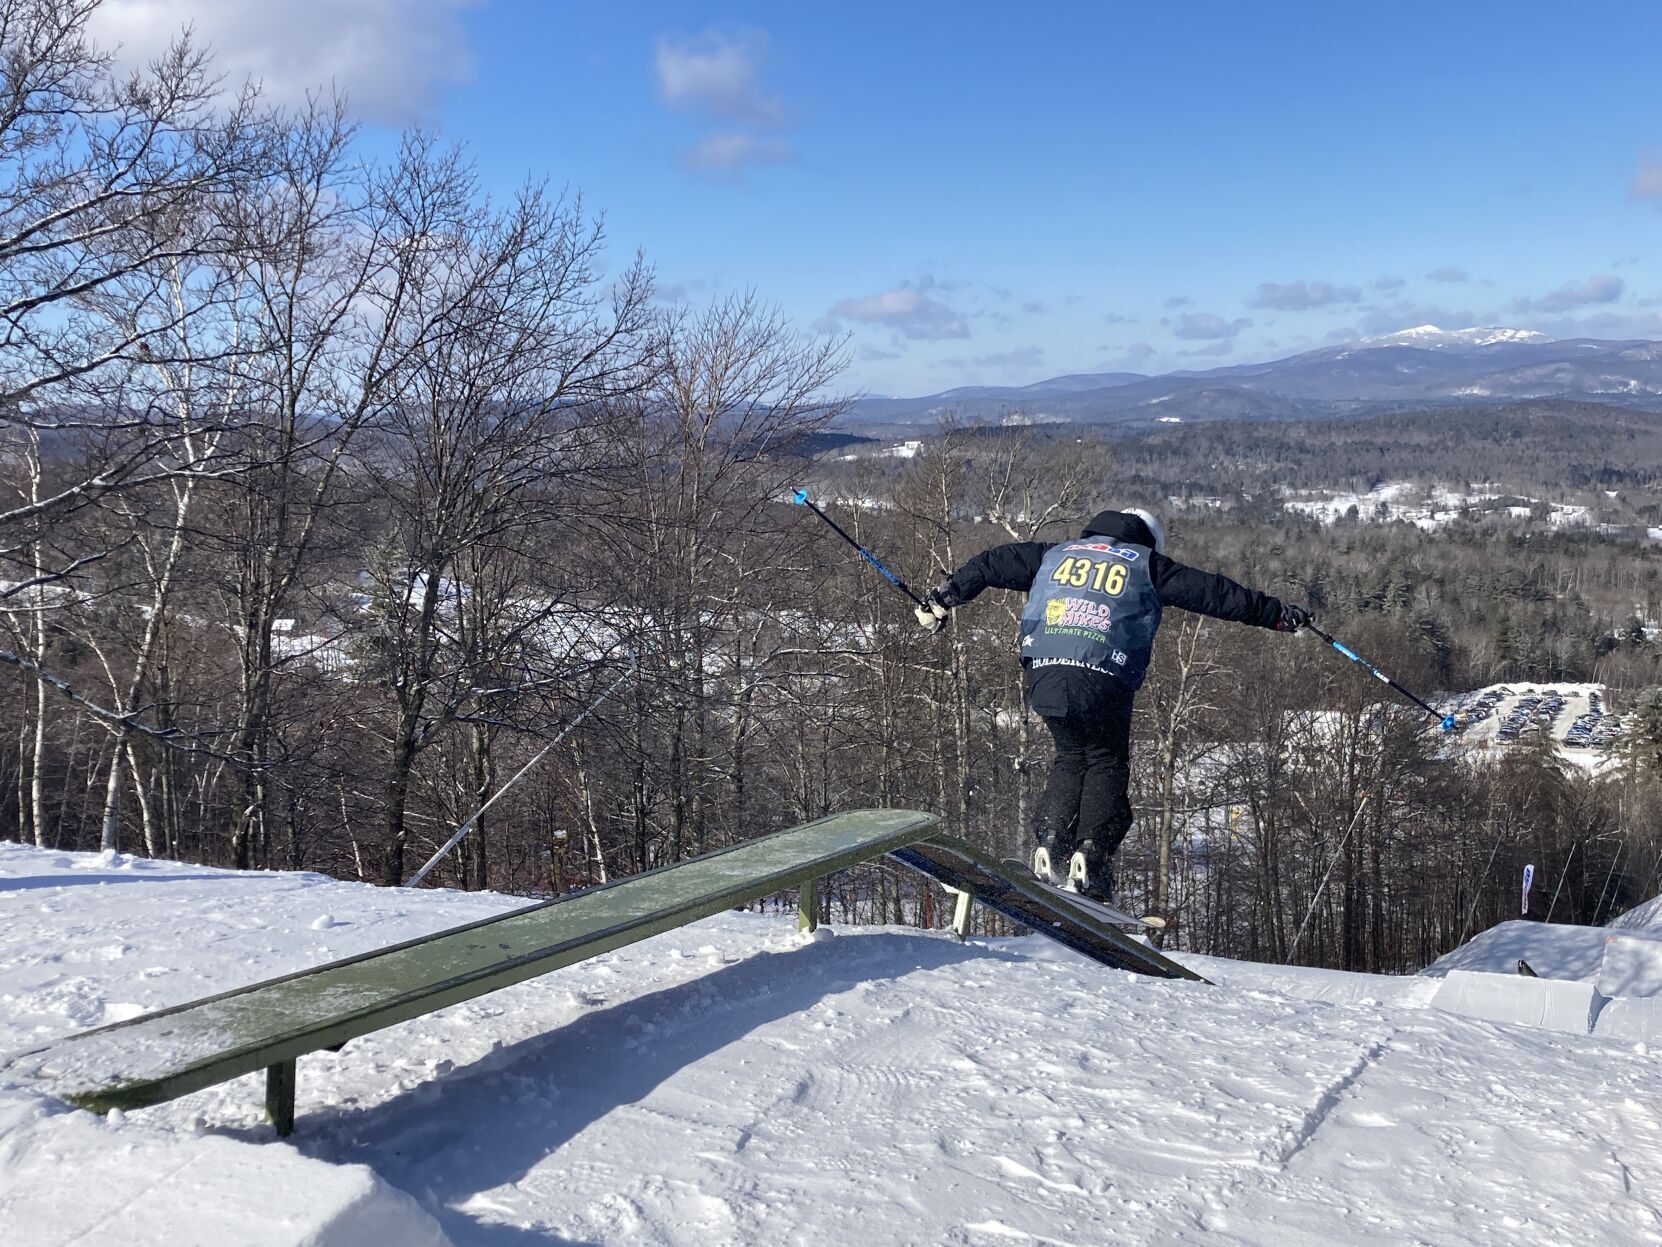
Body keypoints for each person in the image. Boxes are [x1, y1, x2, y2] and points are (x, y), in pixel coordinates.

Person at [915, 507, 1310, 904]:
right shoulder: (1146, 565)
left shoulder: (1054, 554)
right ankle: (1091, 859)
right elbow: (1215, 594)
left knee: (1070, 756)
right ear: (1149, 540)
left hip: (1046, 671)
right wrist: (1276, 615)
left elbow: (992, 563)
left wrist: (944, 597)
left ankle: (1051, 846)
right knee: (1106, 759)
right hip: (1103, 671)